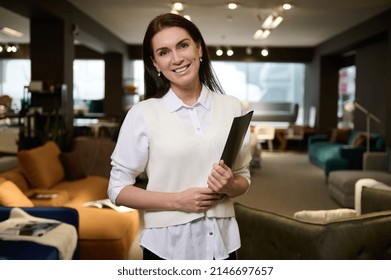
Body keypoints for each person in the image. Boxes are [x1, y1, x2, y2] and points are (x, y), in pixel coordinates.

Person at [108, 13, 251, 260]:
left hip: (223, 244)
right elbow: (117, 189)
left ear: (199, 49)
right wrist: (178, 201)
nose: (177, 58)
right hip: (166, 248)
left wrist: (230, 185)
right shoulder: (142, 114)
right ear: (155, 63)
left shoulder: (232, 107)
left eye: (183, 45)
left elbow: (244, 178)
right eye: (164, 52)